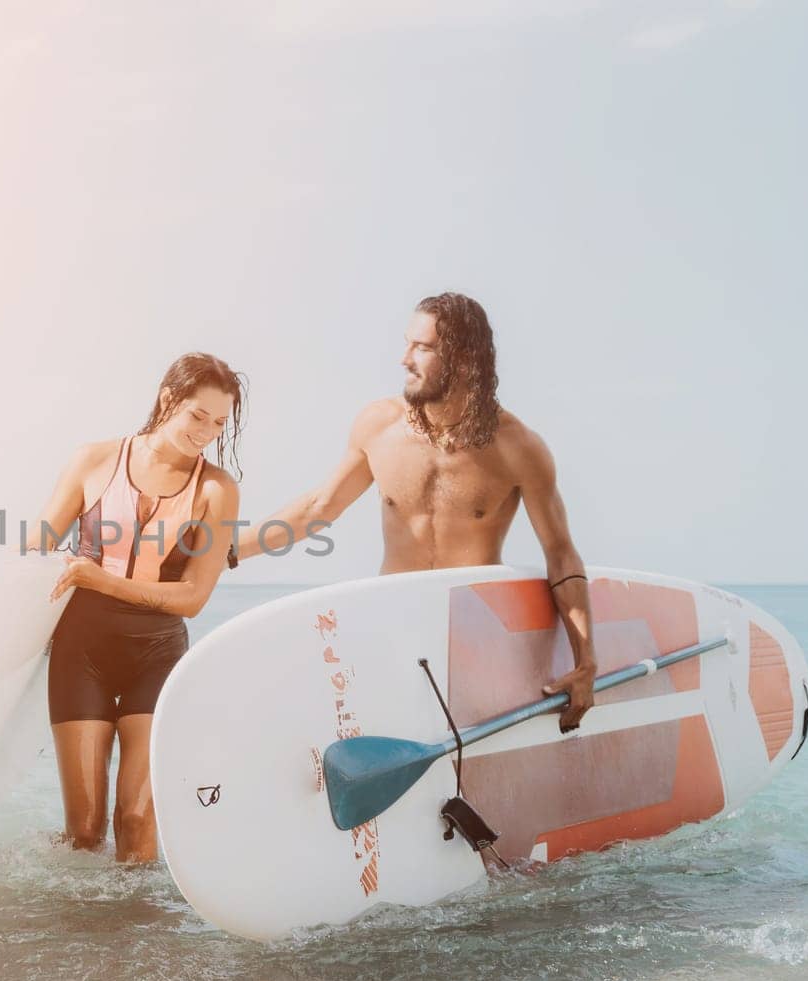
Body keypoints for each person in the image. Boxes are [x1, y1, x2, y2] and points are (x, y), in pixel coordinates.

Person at [235, 292, 599, 730]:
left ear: (464, 361)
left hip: (469, 636)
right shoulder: (379, 426)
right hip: (390, 622)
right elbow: (319, 508)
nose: (404, 358)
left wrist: (586, 661)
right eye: (408, 343)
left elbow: (559, 553)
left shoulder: (518, 448)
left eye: (422, 348)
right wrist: (226, 552)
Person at [28, 353, 244, 862]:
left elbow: (192, 598)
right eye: (198, 415)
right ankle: (80, 937)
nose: (207, 432)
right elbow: (36, 555)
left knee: (137, 819)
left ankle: (141, 936)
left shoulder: (217, 490)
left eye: (218, 422)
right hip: (80, 652)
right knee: (83, 831)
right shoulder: (93, 461)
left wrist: (96, 577)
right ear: (168, 398)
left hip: (157, 656)